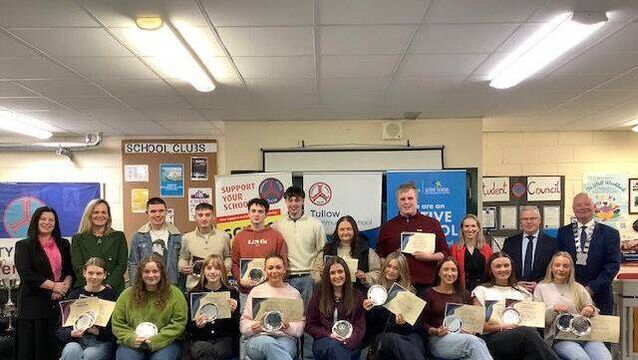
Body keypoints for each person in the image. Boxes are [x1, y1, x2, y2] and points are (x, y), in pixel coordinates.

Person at [472, 252, 559, 360]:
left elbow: (532, 321)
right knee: (528, 334)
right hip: (492, 339)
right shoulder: (481, 291)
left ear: (512, 268)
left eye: (506, 265)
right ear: (490, 270)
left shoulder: (523, 292)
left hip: (521, 338)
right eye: (498, 266)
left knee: (531, 342)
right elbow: (477, 326)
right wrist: (503, 326)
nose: (503, 269)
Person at [15, 206, 74, 360]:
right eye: (43, 219)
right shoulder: (24, 245)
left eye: (51, 220)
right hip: (32, 308)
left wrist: (62, 288)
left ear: (55, 223)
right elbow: (27, 275)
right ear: (36, 221)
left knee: (53, 351)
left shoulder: (64, 244)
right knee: (32, 352)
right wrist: (54, 285)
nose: (47, 222)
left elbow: (70, 271)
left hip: (58, 304)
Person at [533, 251, 610, 360]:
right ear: (551, 268)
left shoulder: (578, 287)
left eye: (565, 266)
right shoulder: (541, 288)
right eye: (557, 265)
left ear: (570, 269)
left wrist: (590, 308)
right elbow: (537, 319)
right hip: (560, 338)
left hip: (586, 336)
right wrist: (553, 309)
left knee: (605, 358)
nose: (561, 269)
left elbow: (593, 310)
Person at [376, 182, 449, 294]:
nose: (406, 202)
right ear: (397, 202)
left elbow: (444, 253)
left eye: (410, 198)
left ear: (416, 200)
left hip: (426, 286)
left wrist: (429, 257)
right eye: (402, 199)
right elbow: (380, 256)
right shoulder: (388, 226)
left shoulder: (432, 224)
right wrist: (392, 262)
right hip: (396, 286)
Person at [112, 255, 187, 360]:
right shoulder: (126, 295)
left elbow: (179, 323)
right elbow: (117, 323)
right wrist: (131, 338)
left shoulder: (175, 294)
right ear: (140, 274)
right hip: (132, 343)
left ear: (162, 273)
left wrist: (157, 340)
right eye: (146, 271)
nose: (151, 275)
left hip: (166, 343)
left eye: (155, 271)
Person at [556, 193, 621, 315]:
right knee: (569, 333)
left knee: (600, 334)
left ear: (594, 207)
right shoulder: (563, 232)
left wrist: (592, 288)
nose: (583, 207)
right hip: (569, 295)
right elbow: (559, 263)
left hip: (600, 295)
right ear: (573, 209)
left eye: (587, 204)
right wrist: (574, 290)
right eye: (579, 205)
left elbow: (612, 265)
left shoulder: (610, 234)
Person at [422, 256, 493, 360]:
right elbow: (421, 322)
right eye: (446, 269)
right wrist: (434, 330)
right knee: (473, 342)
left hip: (462, 338)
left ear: (458, 273)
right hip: (437, 340)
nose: (450, 273)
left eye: (453, 270)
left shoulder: (465, 294)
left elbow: (472, 321)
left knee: (473, 352)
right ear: (439, 272)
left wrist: (471, 329)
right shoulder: (429, 293)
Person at [362, 251, 427, 360]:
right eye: (389, 266)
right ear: (384, 267)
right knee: (395, 339)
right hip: (383, 336)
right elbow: (370, 325)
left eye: (396, 268)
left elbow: (417, 324)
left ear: (402, 271)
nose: (391, 271)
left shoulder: (410, 292)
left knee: (416, 341)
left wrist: (402, 324)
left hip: (406, 334)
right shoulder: (374, 291)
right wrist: (367, 310)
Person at [240, 254, 305, 360]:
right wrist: (252, 327)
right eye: (270, 268)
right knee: (269, 344)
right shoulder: (256, 291)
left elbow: (300, 327)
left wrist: (289, 327)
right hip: (259, 338)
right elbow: (243, 324)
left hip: (286, 338)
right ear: (265, 270)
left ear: (284, 269)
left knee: (278, 350)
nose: (274, 271)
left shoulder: (294, 293)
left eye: (278, 267)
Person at [273, 186, 327, 304]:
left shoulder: (315, 224)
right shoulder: (277, 225)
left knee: (308, 317)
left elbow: (322, 251)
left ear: (303, 201)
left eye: (297, 200)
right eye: (290, 200)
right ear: (286, 202)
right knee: (289, 316)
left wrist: (315, 276)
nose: (293, 204)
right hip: (285, 278)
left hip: (309, 279)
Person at [58, 257, 118, 360]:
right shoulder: (74, 294)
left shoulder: (112, 295)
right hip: (77, 340)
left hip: (101, 341)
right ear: (84, 273)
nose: (94, 277)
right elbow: (60, 329)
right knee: (70, 351)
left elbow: (117, 329)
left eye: (99, 273)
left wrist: (98, 332)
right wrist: (72, 333)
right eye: (90, 273)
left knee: (89, 356)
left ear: (104, 275)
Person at [231, 197, 288, 306]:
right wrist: (240, 280)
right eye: (253, 211)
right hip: (246, 292)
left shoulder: (276, 236)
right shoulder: (239, 237)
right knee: (247, 322)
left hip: (271, 291)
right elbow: (234, 263)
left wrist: (274, 281)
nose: (256, 214)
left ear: (266, 215)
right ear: (248, 213)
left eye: (260, 211)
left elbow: (283, 262)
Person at [306, 256, 366, 360]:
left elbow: (360, 326)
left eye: (340, 271)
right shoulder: (318, 296)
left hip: (350, 344)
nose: (337, 276)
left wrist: (346, 341)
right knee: (333, 346)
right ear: (327, 276)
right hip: (325, 342)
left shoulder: (357, 296)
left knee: (338, 350)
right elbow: (310, 325)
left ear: (346, 273)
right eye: (332, 273)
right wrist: (329, 335)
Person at [187, 254, 240, 360]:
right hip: (200, 339)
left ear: (222, 272)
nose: (212, 272)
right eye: (209, 268)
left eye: (217, 268)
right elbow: (188, 327)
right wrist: (198, 326)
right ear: (204, 271)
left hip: (224, 340)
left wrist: (233, 313)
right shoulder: (194, 293)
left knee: (207, 352)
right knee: (203, 348)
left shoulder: (231, 293)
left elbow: (237, 327)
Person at [71, 199, 128, 293]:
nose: (100, 215)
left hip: (112, 289)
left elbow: (121, 265)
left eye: (104, 212)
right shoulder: (78, 239)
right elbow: (77, 266)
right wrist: (92, 286)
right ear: (89, 215)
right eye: (96, 212)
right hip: (86, 289)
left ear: (108, 216)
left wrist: (107, 286)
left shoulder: (119, 237)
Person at [311, 215, 380, 290]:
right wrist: (321, 274)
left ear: (354, 230)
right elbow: (315, 272)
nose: (345, 232)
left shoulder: (366, 250)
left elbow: (378, 273)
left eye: (349, 229)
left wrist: (365, 277)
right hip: (331, 294)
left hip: (357, 293)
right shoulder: (327, 249)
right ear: (337, 232)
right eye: (342, 229)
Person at [128, 197, 183, 287]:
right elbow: (133, 264)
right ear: (147, 213)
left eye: (161, 211)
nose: (157, 214)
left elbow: (181, 263)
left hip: (172, 285)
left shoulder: (177, 236)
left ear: (166, 212)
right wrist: (135, 287)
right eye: (153, 211)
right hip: (146, 285)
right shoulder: (138, 237)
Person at [503, 206, 557, 292]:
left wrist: (540, 284)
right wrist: (515, 283)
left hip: (543, 290)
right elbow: (504, 267)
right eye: (525, 219)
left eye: (533, 218)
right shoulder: (510, 242)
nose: (529, 222)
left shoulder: (552, 243)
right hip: (515, 290)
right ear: (520, 222)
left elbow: (555, 269)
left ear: (539, 221)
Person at [179, 203, 231, 291]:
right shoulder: (186, 238)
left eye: (207, 215)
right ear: (195, 217)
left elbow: (228, 257)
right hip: (194, 286)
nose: (204, 218)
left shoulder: (224, 236)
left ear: (213, 217)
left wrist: (225, 267)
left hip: (218, 286)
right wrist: (182, 267)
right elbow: (184, 258)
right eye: (200, 215)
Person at [449, 214, 493, 291]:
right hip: (462, 291)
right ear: (462, 229)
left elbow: (491, 271)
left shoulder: (486, 248)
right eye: (466, 226)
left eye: (473, 226)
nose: (470, 229)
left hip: (483, 291)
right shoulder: (454, 249)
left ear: (478, 228)